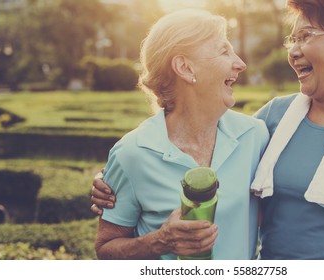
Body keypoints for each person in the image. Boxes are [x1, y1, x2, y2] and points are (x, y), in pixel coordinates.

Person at [91, 0, 324, 260]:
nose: (293, 50)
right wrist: (111, 182)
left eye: (306, 36)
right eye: (292, 38)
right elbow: (208, 149)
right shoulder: (270, 121)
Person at [93, 9, 269, 260]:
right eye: (224, 51)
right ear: (185, 67)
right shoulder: (131, 153)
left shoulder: (255, 136)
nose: (241, 64)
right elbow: (105, 250)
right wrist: (159, 242)